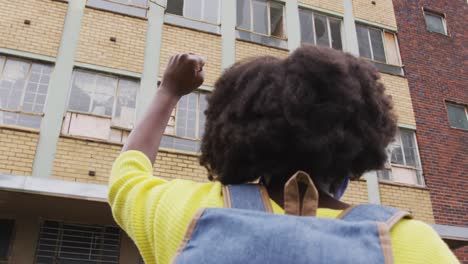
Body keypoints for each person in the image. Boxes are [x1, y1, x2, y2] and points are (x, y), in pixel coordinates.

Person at [108, 46, 459, 264]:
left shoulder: (186, 212)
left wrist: (169, 90)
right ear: (362, 140)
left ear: (231, 134)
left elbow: (127, 177)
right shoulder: (408, 242)